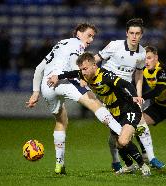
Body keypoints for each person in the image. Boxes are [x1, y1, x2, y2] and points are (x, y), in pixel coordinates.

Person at [26, 23, 126, 175]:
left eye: (93, 37)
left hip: (47, 86)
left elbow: (39, 68)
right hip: (63, 80)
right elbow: (74, 60)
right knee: (96, 104)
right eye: (89, 35)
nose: (91, 39)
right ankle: (124, 135)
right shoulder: (77, 43)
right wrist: (80, 76)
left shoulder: (59, 44)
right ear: (79, 33)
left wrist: (35, 92)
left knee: (61, 121)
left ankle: (59, 165)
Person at [47, 52, 151, 176]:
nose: (83, 72)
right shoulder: (84, 74)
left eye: (85, 68)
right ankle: (129, 166)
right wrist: (57, 77)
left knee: (123, 141)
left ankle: (143, 166)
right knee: (118, 143)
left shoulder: (106, 76)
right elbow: (73, 73)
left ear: (94, 66)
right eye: (81, 69)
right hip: (114, 113)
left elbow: (126, 84)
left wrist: (134, 96)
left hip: (128, 109)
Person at [94, 18, 165, 171]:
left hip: (126, 93)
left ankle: (151, 158)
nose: (134, 36)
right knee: (115, 132)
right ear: (126, 33)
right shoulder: (114, 46)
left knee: (140, 122)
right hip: (109, 93)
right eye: (131, 33)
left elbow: (138, 75)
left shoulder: (141, 54)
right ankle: (115, 160)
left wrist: (138, 96)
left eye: (137, 33)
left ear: (141, 35)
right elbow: (96, 60)